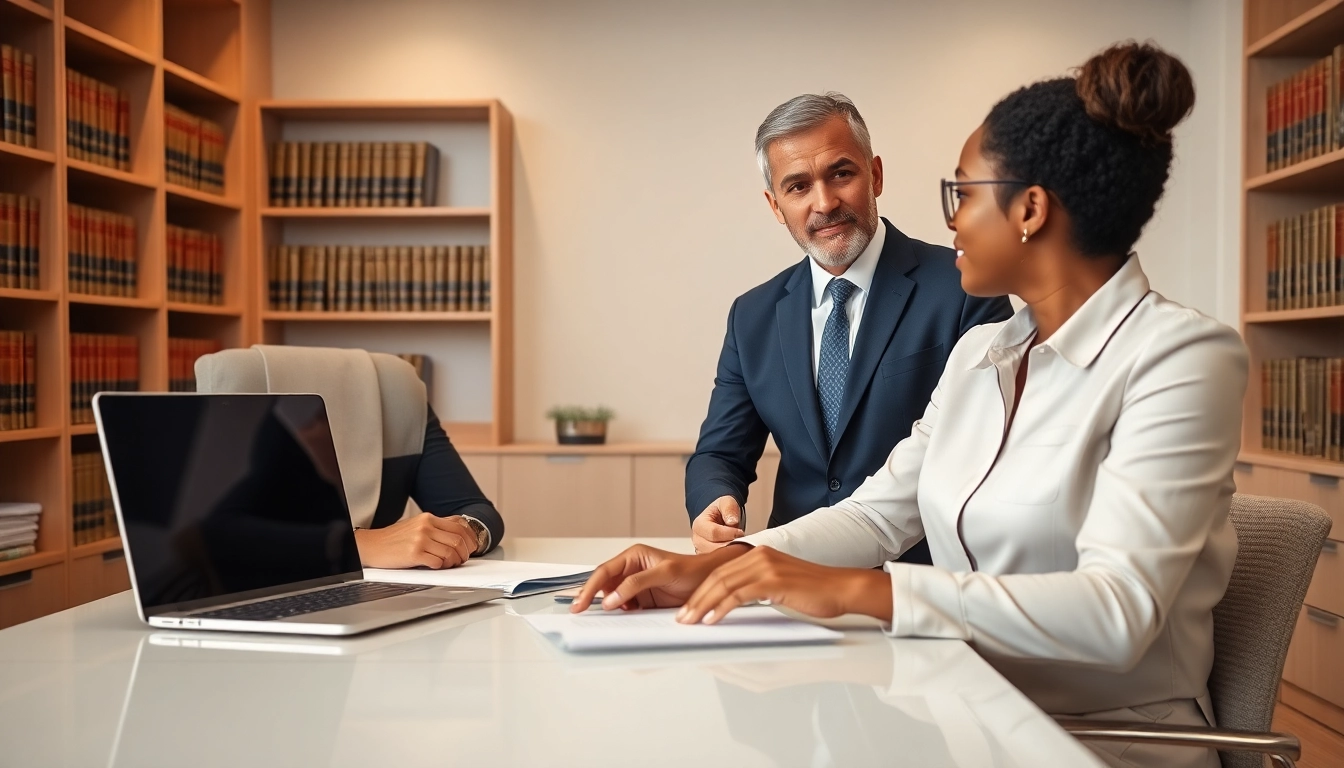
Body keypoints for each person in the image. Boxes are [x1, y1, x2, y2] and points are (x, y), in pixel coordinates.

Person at [576, 41, 1246, 768]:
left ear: (1028, 208)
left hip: (1102, 739)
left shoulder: (1180, 357)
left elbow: (1118, 613)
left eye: (962, 193)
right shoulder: (983, 355)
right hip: (960, 707)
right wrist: (715, 564)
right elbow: (876, 514)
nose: (950, 222)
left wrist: (864, 593)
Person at [686, 93, 1013, 558]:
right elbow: (720, 452)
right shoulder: (752, 316)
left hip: (924, 582)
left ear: (875, 175)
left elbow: (988, 455)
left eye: (841, 173)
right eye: (797, 187)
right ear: (775, 205)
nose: (825, 202)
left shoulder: (966, 288)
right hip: (788, 574)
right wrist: (714, 500)